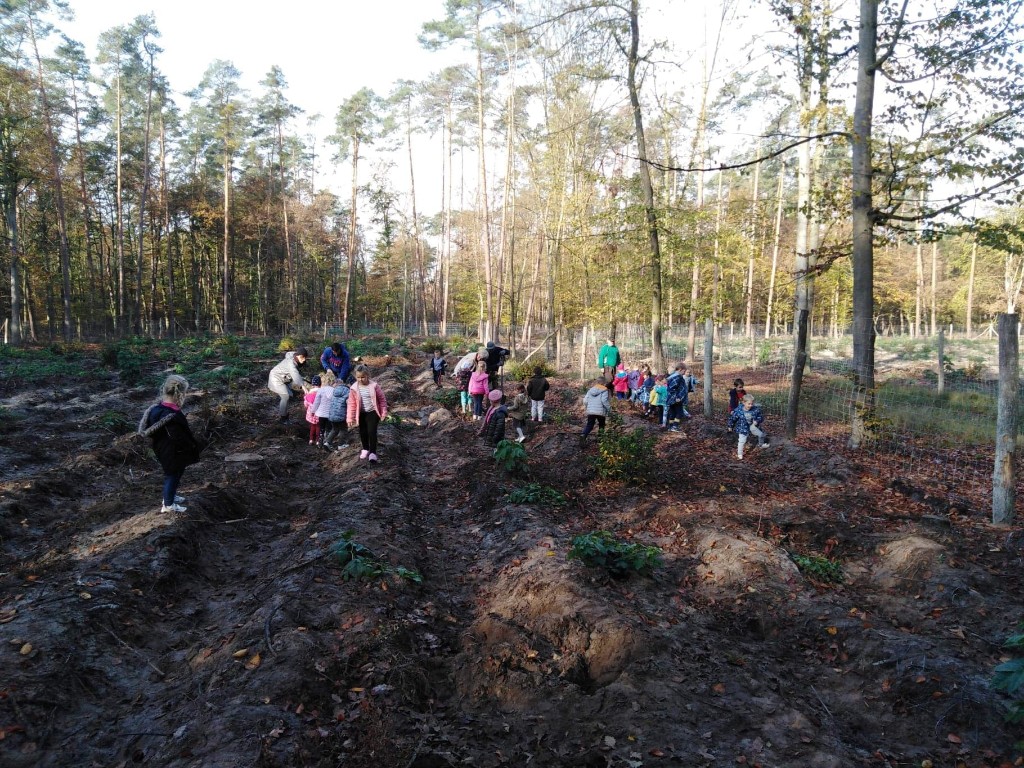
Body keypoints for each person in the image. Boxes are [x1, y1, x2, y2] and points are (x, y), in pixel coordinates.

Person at [138, 375, 204, 513]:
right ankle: (168, 505)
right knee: (172, 475)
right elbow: (178, 437)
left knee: (176, 473)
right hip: (172, 451)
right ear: (180, 394)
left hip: (162, 448)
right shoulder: (171, 416)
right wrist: (192, 446)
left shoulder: (156, 409)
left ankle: (170, 496)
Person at [347, 364, 388, 462]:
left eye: (363, 377)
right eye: (358, 377)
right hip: (361, 413)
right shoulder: (354, 388)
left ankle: (373, 452)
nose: (360, 379)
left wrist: (383, 412)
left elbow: (382, 400)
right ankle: (365, 449)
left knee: (371, 432)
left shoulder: (374, 386)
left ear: (367, 376)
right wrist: (350, 417)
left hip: (372, 412)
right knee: (363, 432)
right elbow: (351, 403)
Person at [268, 346, 309, 423]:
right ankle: (283, 418)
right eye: (303, 358)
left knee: (290, 394)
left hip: (283, 378)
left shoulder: (295, 356)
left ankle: (285, 411)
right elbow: (296, 375)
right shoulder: (291, 364)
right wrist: (304, 387)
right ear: (299, 356)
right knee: (285, 396)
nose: (304, 360)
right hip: (276, 378)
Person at [728, 393, 769, 459]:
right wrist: (730, 426)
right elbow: (733, 418)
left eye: (752, 404)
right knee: (742, 440)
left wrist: (757, 421)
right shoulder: (739, 410)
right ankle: (740, 454)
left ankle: (761, 445)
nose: (750, 405)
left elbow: (760, 417)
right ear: (744, 402)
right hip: (743, 427)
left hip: (753, 426)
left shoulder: (755, 409)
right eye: (749, 404)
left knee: (761, 434)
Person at [580, 377, 611, 445]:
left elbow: (585, 400)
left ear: (597, 382)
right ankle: (600, 439)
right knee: (601, 425)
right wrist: (609, 409)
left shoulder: (591, 390)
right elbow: (604, 401)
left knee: (590, 425)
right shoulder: (604, 390)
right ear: (604, 383)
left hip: (591, 411)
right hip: (600, 411)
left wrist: (588, 407)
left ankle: (583, 435)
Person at [311, 375, 339, 449]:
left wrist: (313, 411)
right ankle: (327, 442)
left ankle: (320, 441)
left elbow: (316, 402)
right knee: (328, 428)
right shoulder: (334, 390)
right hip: (330, 413)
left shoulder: (321, 390)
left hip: (321, 413)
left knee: (321, 427)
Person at [325, 379, 351, 450]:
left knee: (334, 429)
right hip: (341, 415)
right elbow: (349, 402)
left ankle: (327, 442)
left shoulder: (334, 391)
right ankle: (341, 444)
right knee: (343, 429)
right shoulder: (347, 391)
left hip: (332, 415)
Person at [452, 349, 480, 414]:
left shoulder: (459, 373)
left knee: (463, 398)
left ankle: (464, 410)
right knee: (469, 397)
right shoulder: (470, 373)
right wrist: (475, 365)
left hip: (462, 388)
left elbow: (457, 380)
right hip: (469, 388)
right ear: (469, 367)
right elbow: (473, 371)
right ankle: (470, 408)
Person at [665, 364, 687, 432]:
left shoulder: (673, 376)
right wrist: (677, 397)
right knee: (680, 413)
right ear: (680, 369)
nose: (684, 373)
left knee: (673, 413)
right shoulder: (677, 377)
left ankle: (670, 427)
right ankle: (675, 426)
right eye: (684, 371)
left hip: (671, 399)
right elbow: (672, 388)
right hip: (676, 399)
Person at [304, 375, 323, 445]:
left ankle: (311, 439)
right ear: (320, 384)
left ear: (312, 385)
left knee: (312, 426)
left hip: (311, 414)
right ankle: (318, 440)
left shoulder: (308, 394)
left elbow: (306, 404)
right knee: (318, 426)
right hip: (319, 413)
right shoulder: (321, 393)